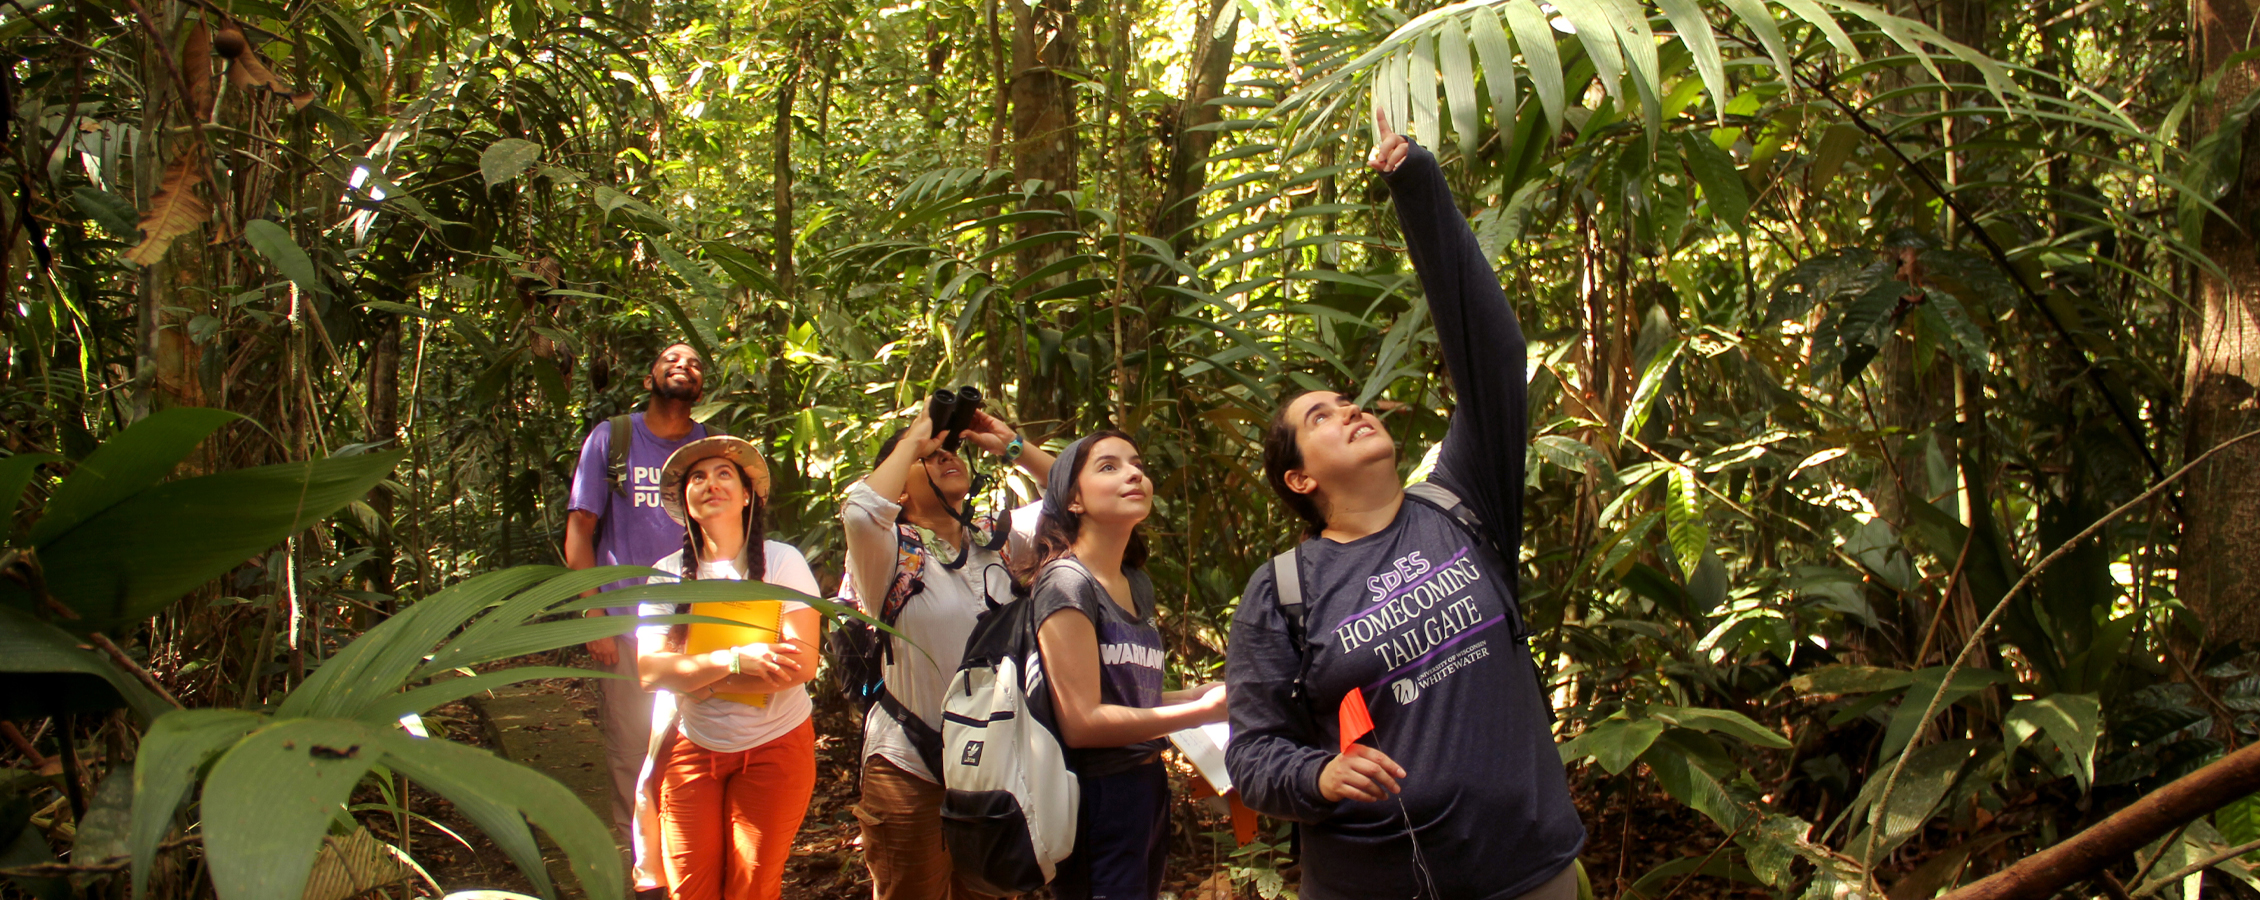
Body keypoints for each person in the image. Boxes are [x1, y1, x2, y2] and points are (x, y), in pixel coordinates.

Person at [1221, 119, 1587, 900]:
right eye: (1319, 417)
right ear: (1298, 481)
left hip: (1529, 870)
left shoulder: (1462, 500)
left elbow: (1492, 356)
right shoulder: (1283, 591)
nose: (1349, 412)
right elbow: (1252, 758)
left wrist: (1417, 187)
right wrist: (1321, 773)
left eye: (1348, 402)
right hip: (1375, 881)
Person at [840, 404, 1056, 900]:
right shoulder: (887, 550)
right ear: (898, 487)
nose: (946, 458)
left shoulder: (996, 540)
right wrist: (914, 437)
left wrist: (1013, 447)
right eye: (930, 457)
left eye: (951, 450)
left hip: (992, 762)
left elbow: (1076, 497)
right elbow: (859, 509)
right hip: (909, 760)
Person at [1026, 431, 1228, 900]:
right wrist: (1205, 711)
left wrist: (1204, 695)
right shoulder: (1065, 584)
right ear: (1073, 501)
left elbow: (1127, 697)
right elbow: (1082, 722)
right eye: (1109, 467)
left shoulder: (1135, 583)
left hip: (1144, 782)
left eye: (1136, 463)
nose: (1135, 473)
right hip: (1095, 795)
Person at [629, 435, 823, 900]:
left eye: (723, 474)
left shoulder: (781, 561)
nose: (711, 484)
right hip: (693, 745)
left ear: (747, 494)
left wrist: (698, 677)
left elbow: (802, 665)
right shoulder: (668, 572)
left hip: (776, 744)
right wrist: (736, 661)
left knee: (753, 888)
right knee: (689, 890)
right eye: (698, 477)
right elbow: (651, 672)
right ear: (685, 501)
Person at [563, 341, 720, 860]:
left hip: (698, 628)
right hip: (627, 626)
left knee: (699, 750)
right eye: (672, 360)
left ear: (702, 386)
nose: (684, 367)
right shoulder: (614, 439)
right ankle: (643, 872)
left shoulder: (710, 449)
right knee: (633, 756)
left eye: (695, 363)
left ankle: (690, 866)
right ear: (651, 376)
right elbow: (580, 530)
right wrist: (595, 619)